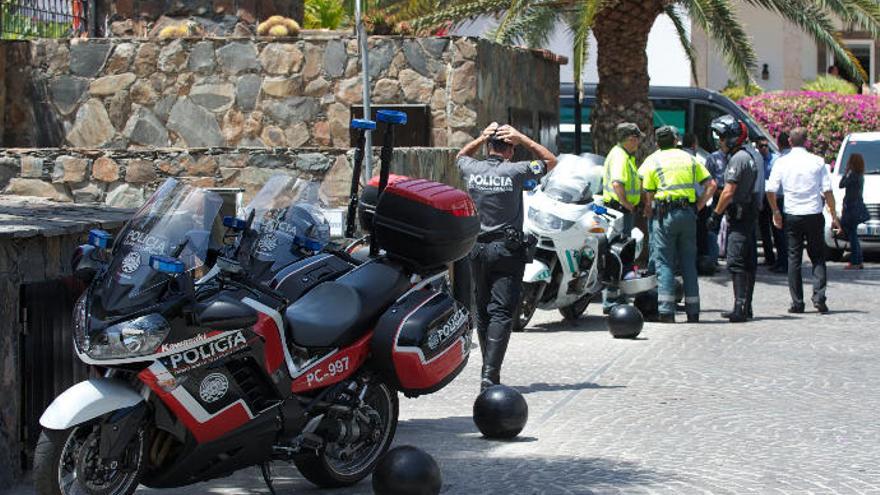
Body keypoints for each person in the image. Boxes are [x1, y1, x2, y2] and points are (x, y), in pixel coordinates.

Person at [457, 122, 557, 391]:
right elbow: (550, 160)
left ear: (489, 146)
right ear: (510, 150)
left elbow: (460, 157)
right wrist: (523, 136)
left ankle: (487, 370)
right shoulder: (516, 171)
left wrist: (480, 137)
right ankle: (490, 374)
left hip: (475, 250)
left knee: (483, 310)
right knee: (501, 312)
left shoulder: (472, 168)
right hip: (506, 251)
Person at [643, 126, 717, 323]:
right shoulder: (689, 158)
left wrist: (648, 210)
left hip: (664, 215)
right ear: (676, 141)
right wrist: (698, 206)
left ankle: (666, 312)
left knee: (665, 263)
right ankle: (693, 311)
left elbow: (648, 193)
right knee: (688, 263)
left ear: (657, 143)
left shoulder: (654, 160)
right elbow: (712, 185)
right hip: (687, 214)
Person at [766, 127, 841, 314]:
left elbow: (771, 190)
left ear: (790, 142)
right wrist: (833, 215)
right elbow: (828, 191)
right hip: (814, 213)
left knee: (794, 258)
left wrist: (776, 211)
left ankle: (797, 302)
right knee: (817, 256)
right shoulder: (817, 162)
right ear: (806, 141)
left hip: (792, 214)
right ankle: (819, 296)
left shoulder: (782, 162)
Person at [706, 115, 760, 323]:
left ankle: (740, 309)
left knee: (736, 261)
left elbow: (729, 192)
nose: (719, 142)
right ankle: (746, 306)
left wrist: (716, 215)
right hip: (747, 215)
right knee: (747, 262)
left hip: (740, 216)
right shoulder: (749, 156)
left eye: (721, 138)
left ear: (731, 139)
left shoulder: (738, 159)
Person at [602, 122, 644, 313]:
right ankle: (612, 300)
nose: (638, 143)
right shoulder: (620, 156)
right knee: (619, 254)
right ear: (630, 139)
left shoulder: (623, 155)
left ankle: (615, 297)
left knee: (621, 253)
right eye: (637, 139)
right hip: (620, 211)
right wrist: (627, 204)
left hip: (621, 210)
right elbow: (618, 184)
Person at [839, 153, 869, 270]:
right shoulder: (860, 176)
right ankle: (858, 259)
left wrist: (845, 173)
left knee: (852, 235)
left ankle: (855, 261)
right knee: (853, 234)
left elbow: (841, 185)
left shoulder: (853, 176)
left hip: (851, 208)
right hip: (857, 207)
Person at [769, 132, 791, 273]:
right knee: (789, 233)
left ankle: (783, 262)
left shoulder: (779, 160)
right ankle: (787, 261)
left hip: (780, 198)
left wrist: (774, 208)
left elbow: (772, 186)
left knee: (779, 232)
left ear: (779, 143)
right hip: (791, 198)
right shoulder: (794, 158)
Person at [703, 147, 728, 268]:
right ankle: (713, 259)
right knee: (714, 226)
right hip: (718, 194)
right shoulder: (713, 158)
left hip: (731, 194)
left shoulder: (733, 156)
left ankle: (729, 254)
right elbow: (708, 178)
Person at [755, 137, 777, 266]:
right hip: (762, 196)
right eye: (761, 146)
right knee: (764, 229)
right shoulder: (758, 160)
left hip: (773, 196)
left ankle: (779, 257)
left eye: (765, 146)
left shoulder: (775, 160)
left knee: (776, 228)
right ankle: (769, 257)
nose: (764, 148)